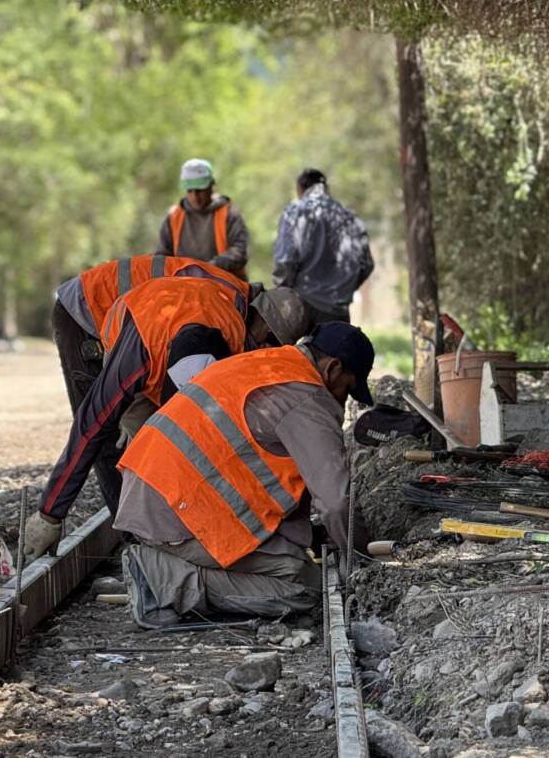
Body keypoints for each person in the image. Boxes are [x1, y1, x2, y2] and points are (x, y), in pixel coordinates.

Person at [24, 279, 314, 558]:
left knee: (169, 443)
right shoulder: (144, 349)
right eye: (270, 340)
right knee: (119, 438)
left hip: (168, 334)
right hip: (89, 315)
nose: (265, 350)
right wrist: (50, 513)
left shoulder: (231, 315)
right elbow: (91, 425)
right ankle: (137, 539)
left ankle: (158, 531)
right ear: (262, 318)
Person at [113, 321, 376, 626]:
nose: (343, 401)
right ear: (332, 368)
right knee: (304, 584)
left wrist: (311, 535)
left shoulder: (267, 363)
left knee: (292, 555)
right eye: (347, 389)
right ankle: (163, 580)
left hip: (152, 490)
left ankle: (170, 564)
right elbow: (335, 502)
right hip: (172, 511)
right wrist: (362, 559)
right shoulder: (308, 396)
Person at [51, 255, 251, 412]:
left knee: (120, 409)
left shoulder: (227, 295)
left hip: (105, 305)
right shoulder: (224, 301)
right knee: (101, 412)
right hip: (82, 308)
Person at [273, 168, 375, 323]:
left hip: (303, 308)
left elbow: (285, 261)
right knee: (336, 347)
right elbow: (366, 264)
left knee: (302, 348)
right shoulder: (349, 217)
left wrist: (282, 294)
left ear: (300, 188)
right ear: (326, 188)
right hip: (338, 311)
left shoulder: (294, 213)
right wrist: (344, 290)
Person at [156, 158, 249, 278]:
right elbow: (162, 256)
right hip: (183, 285)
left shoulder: (229, 214)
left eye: (200, 190)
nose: (195, 196)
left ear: (212, 186)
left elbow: (239, 252)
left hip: (225, 286)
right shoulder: (174, 217)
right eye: (190, 190)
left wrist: (209, 268)